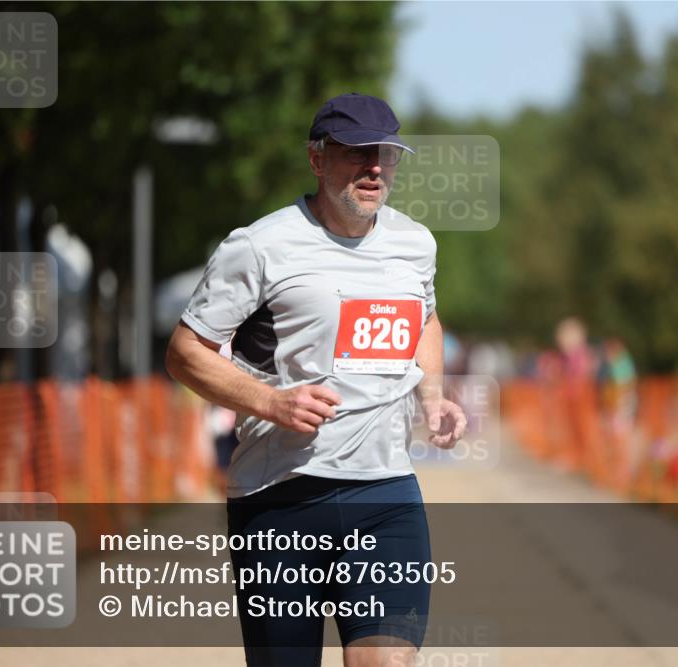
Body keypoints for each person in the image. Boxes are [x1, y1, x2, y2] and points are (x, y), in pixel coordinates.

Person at [165, 92, 466, 667]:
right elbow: (185, 352)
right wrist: (271, 403)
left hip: (385, 493)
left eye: (386, 154)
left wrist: (433, 396)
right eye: (356, 153)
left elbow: (426, 317)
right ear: (317, 159)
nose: (374, 168)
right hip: (280, 497)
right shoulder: (259, 246)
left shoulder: (415, 244)